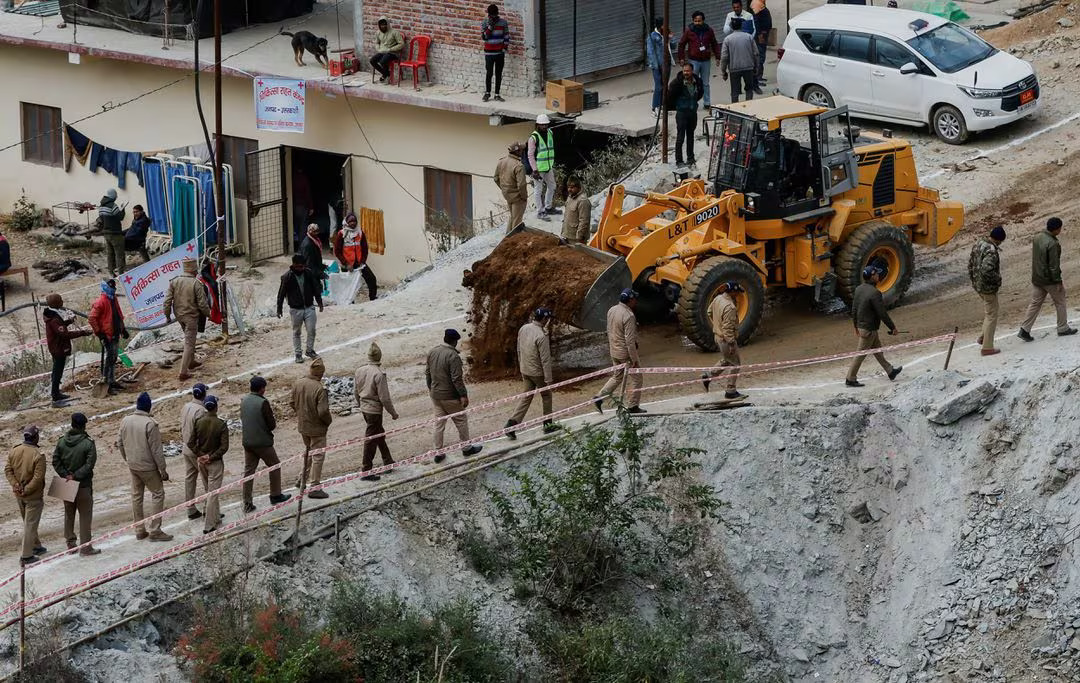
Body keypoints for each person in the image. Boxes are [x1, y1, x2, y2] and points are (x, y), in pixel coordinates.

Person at [118, 392, 172, 541]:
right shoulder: (150, 423)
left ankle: (139, 529)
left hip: (133, 465)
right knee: (158, 493)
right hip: (148, 467)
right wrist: (163, 470)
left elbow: (120, 443)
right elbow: (157, 450)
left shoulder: (125, 420)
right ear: (148, 407)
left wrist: (127, 459)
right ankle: (155, 530)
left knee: (137, 496)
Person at [426, 329, 483, 461]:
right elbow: (456, 379)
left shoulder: (432, 352)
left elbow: (428, 373)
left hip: (436, 395)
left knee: (439, 424)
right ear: (454, 341)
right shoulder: (453, 356)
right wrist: (463, 395)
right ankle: (466, 448)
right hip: (450, 397)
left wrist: (431, 389)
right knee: (461, 421)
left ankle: (438, 452)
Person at [1019, 217, 1076, 341]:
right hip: (1049, 279)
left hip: (1037, 278)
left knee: (1035, 303)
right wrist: (1058, 281)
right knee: (1060, 301)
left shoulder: (1037, 237)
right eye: (1060, 228)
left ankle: (1025, 329)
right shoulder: (1053, 243)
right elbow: (1053, 266)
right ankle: (1062, 327)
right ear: (1056, 229)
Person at [505, 308, 558, 440]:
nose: (548, 321)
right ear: (544, 319)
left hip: (525, 369)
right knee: (546, 396)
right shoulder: (542, 335)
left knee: (527, 397)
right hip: (537, 372)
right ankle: (548, 425)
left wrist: (520, 366)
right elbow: (545, 360)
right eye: (548, 319)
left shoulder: (524, 328)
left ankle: (512, 424)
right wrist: (548, 379)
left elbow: (518, 349)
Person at [845, 267, 903, 387]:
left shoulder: (859, 289)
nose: (878, 276)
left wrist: (855, 326)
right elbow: (882, 313)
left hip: (864, 327)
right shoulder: (875, 293)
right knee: (860, 354)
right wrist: (892, 327)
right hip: (869, 330)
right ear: (872, 276)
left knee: (878, 351)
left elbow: (854, 309)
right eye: (876, 274)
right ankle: (850, 378)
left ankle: (890, 371)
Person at [241, 376, 291, 512]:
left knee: (249, 471)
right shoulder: (262, 403)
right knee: (275, 466)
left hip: (247, 442)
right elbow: (271, 424)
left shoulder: (244, 400)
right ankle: (275, 494)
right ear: (262, 389)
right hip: (262, 442)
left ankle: (247, 502)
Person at [52, 413, 100, 555]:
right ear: (83, 425)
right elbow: (89, 465)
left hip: (65, 482)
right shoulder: (88, 443)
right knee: (85, 515)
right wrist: (76, 476)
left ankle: (70, 544)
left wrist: (66, 475)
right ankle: (86, 547)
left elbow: (55, 461)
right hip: (83, 484)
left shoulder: (61, 441)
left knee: (69, 513)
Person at [593, 289, 645, 414]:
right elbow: (629, 341)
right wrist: (635, 360)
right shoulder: (629, 316)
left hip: (614, 350)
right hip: (624, 353)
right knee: (637, 378)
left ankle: (599, 397)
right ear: (630, 300)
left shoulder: (612, 310)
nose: (636, 301)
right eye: (634, 299)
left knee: (617, 376)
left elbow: (609, 330)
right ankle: (633, 406)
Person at [354, 342, 400, 482]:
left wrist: (360, 404)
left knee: (378, 434)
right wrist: (393, 413)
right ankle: (366, 470)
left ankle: (388, 460)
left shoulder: (359, 371)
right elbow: (384, 398)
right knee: (371, 440)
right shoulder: (379, 374)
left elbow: (356, 392)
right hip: (374, 411)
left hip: (364, 408)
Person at [291, 357, 332, 499]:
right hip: (317, 428)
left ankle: (301, 480)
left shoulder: (298, 383)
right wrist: (327, 422)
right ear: (320, 374)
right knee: (318, 456)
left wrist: (302, 414)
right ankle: (314, 486)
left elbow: (292, 402)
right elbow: (323, 411)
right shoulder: (319, 388)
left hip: (303, 426)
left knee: (308, 452)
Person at [164, 258, 211, 381]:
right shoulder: (196, 283)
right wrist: (209, 315)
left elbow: (167, 301)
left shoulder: (174, 282)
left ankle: (191, 362)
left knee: (189, 339)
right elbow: (202, 304)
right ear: (194, 269)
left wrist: (168, 316)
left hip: (179, 316)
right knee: (189, 343)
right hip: (191, 317)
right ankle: (183, 372)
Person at [188, 395, 228, 535]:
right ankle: (209, 524)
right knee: (213, 493)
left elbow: (190, 443)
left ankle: (214, 517)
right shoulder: (221, 424)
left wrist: (201, 455)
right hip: (214, 462)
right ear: (216, 407)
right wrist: (210, 457)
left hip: (202, 462)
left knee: (209, 491)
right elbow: (224, 447)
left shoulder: (199, 422)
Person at [6, 426, 46, 565]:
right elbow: (38, 478)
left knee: (28, 522)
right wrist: (27, 490)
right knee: (30, 525)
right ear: (35, 437)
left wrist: (15, 485)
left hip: (19, 494)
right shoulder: (38, 455)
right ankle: (26, 555)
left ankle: (36, 546)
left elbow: (8, 470)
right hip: (32, 496)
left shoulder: (14, 450)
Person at [43, 293, 91, 406]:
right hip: (58, 348)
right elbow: (64, 334)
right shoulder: (54, 319)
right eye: (60, 301)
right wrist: (82, 333)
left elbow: (61, 326)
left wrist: (69, 321)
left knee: (57, 370)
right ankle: (55, 394)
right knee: (57, 371)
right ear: (56, 303)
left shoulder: (53, 316)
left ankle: (56, 392)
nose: (62, 302)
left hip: (57, 347)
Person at [701, 282, 747, 399]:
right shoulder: (730, 307)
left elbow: (709, 312)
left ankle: (708, 376)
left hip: (717, 337)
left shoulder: (718, 298)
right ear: (732, 291)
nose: (737, 294)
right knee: (736, 364)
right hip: (726, 340)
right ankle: (730, 391)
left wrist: (717, 324)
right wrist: (731, 343)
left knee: (727, 360)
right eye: (736, 292)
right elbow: (727, 329)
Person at [277, 253, 324, 364]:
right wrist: (279, 308)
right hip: (295, 309)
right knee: (296, 332)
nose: (300, 269)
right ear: (293, 265)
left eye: (302, 266)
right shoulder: (287, 277)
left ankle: (309, 350)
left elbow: (315, 289)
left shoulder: (308, 274)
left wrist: (320, 303)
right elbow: (281, 294)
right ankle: (298, 353)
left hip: (309, 307)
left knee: (311, 330)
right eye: (298, 267)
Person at [968, 225, 1006, 356]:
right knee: (992, 315)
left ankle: (983, 337)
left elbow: (970, 264)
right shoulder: (991, 250)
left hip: (978, 285)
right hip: (987, 287)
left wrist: (974, 281)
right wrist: (998, 280)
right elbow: (987, 269)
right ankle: (987, 347)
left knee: (989, 312)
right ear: (999, 240)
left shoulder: (979, 243)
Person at [88, 279, 128, 394]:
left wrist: (123, 328)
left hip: (115, 332)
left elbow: (118, 314)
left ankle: (112, 380)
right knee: (109, 358)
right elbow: (91, 318)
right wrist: (100, 334)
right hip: (107, 335)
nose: (113, 289)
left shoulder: (113, 299)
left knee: (114, 357)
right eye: (111, 287)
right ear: (106, 287)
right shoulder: (101, 302)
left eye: (114, 287)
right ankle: (106, 383)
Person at [678, 11, 721, 108]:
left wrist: (718, 56)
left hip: (706, 60)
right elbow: (681, 44)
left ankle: (707, 102)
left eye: (699, 21)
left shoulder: (709, 30)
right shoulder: (689, 31)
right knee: (692, 82)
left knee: (705, 83)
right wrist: (681, 58)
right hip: (694, 61)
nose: (697, 23)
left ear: (703, 21)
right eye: (695, 21)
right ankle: (693, 101)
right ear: (693, 21)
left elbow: (714, 43)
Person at [332, 212, 379, 301]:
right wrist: (346, 263)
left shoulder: (360, 232)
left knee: (372, 279)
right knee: (347, 285)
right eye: (350, 221)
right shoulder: (342, 234)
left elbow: (365, 249)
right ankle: (349, 302)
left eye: (354, 221)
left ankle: (373, 298)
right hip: (347, 264)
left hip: (359, 263)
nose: (353, 223)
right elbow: (337, 251)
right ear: (346, 223)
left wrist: (363, 261)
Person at [179, 383, 208, 520]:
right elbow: (202, 433)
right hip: (196, 450)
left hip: (186, 448)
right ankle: (210, 509)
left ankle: (190, 509)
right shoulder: (201, 411)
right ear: (204, 394)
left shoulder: (186, 407)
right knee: (208, 479)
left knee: (190, 478)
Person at [668, 63, 704, 166]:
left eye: (688, 71)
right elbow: (670, 96)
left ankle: (690, 158)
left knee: (690, 136)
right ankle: (679, 161)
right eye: (684, 71)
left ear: (692, 71)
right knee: (680, 138)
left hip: (692, 113)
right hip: (682, 113)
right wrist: (678, 106)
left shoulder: (697, 82)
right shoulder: (676, 83)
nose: (686, 73)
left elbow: (700, 93)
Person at [721, 18, 759, 103]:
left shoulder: (727, 39)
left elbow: (724, 57)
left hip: (734, 69)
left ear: (731, 27)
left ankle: (735, 111)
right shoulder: (749, 37)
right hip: (748, 67)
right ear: (742, 26)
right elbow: (756, 53)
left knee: (735, 92)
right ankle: (749, 107)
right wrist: (756, 66)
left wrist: (723, 71)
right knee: (749, 89)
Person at [528, 114, 558, 221]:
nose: (544, 127)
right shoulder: (533, 138)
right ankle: (540, 211)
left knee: (552, 186)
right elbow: (530, 155)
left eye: (546, 124)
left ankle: (548, 207)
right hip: (539, 169)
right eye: (542, 125)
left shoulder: (550, 133)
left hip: (548, 167)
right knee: (538, 190)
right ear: (537, 125)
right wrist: (534, 170)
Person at [494, 142, 528, 233]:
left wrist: (504, 189)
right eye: (521, 150)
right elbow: (521, 185)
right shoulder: (519, 166)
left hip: (507, 195)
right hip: (518, 197)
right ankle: (513, 241)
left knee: (513, 216)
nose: (522, 151)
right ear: (517, 152)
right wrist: (524, 197)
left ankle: (506, 238)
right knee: (517, 222)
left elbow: (496, 178)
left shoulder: (501, 161)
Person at [646, 18, 675, 115]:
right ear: (659, 26)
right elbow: (650, 52)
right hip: (658, 66)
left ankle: (663, 106)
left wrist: (671, 38)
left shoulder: (665, 35)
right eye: (664, 25)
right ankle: (655, 107)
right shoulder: (652, 37)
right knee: (659, 87)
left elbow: (674, 46)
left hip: (667, 63)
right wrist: (655, 66)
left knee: (665, 86)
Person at [481, 4, 510, 102]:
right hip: (489, 53)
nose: (493, 17)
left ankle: (497, 94)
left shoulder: (503, 22)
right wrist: (490, 27)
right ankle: (487, 93)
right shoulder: (485, 22)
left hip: (499, 53)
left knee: (498, 73)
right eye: (491, 15)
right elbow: (485, 37)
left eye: (494, 15)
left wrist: (504, 48)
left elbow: (506, 36)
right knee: (489, 73)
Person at [98, 188, 127, 275]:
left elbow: (101, 219)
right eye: (116, 195)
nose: (116, 197)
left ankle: (111, 272)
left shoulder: (101, 206)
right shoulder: (113, 206)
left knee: (110, 254)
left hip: (106, 234)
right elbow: (120, 217)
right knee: (119, 254)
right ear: (113, 196)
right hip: (115, 233)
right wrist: (123, 209)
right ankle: (121, 273)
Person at [370, 17, 405, 82]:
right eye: (381, 25)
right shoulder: (378, 33)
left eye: (384, 24)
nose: (383, 26)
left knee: (383, 61)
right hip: (382, 52)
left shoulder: (395, 32)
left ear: (387, 24)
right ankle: (386, 74)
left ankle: (385, 75)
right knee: (372, 60)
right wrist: (378, 49)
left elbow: (401, 44)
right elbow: (377, 43)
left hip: (392, 53)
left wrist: (391, 49)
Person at [561, 176, 591, 244]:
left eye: (572, 187)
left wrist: (580, 237)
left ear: (578, 187)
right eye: (568, 187)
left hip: (576, 239)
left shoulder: (583, 201)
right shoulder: (570, 198)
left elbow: (584, 221)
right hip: (568, 235)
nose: (569, 189)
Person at [292, 167, 314, 249]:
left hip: (294, 206)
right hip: (303, 206)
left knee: (296, 226)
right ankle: (302, 246)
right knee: (303, 227)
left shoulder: (292, 179)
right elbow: (308, 194)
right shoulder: (304, 179)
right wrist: (311, 207)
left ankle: (295, 243)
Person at [751, 0, 772, 89]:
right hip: (761, 35)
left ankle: (760, 76)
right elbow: (756, 22)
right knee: (760, 56)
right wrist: (759, 34)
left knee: (762, 55)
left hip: (764, 34)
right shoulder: (757, 4)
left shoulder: (760, 4)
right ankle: (757, 78)